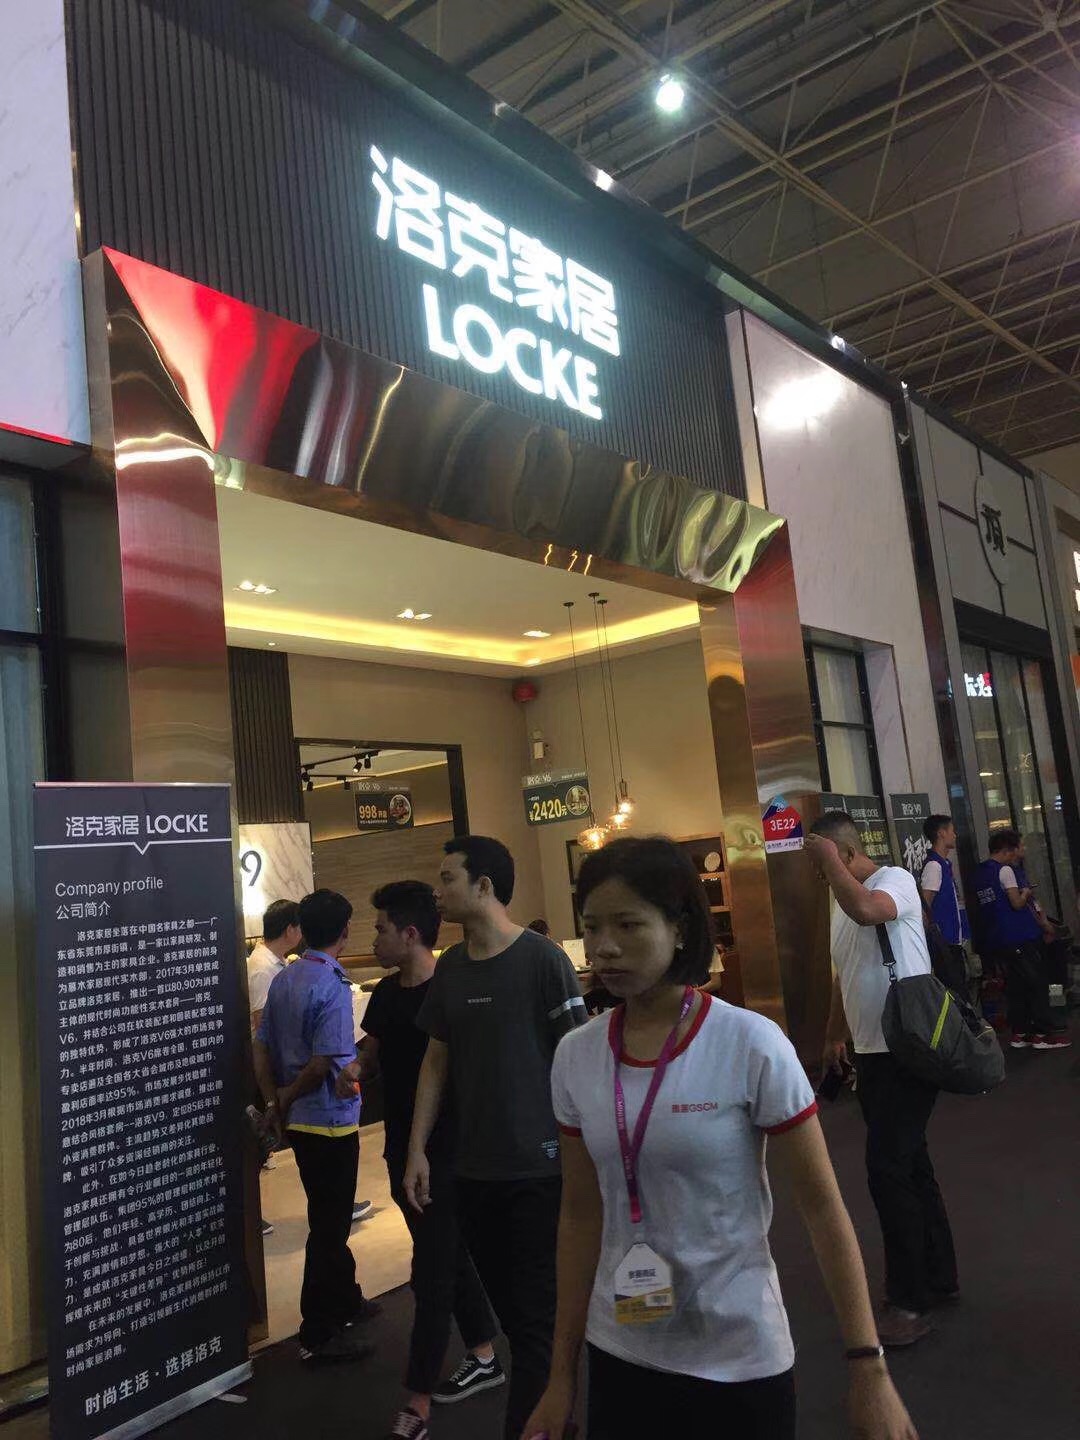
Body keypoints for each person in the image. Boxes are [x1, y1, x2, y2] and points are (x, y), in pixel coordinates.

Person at [523, 837, 918, 1440]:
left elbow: (821, 1207)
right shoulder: (576, 1055)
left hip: (740, 1354)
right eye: (592, 926)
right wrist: (560, 1379)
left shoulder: (749, 1042)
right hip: (622, 1350)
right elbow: (579, 1216)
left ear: (680, 929)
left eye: (628, 924)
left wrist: (870, 1368)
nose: (604, 947)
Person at [404, 836, 588, 1440]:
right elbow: (436, 1062)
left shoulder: (542, 960)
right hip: (473, 1172)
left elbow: (577, 1058)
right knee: (517, 1319)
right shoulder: (451, 967)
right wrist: (416, 1148)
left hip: (540, 1170)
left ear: (483, 886)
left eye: (448, 878)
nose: (438, 890)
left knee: (535, 1324)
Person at [338, 881, 502, 1440]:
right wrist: (355, 1070)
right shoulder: (386, 994)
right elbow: (373, 1053)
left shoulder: (453, 989)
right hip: (401, 1146)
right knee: (446, 1255)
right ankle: (484, 1353)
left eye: (381, 930)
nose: (374, 940)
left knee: (431, 1271)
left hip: (448, 1151)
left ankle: (419, 1399)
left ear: (409, 935)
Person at [806, 811, 957, 1349]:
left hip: (907, 1051)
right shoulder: (839, 899)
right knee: (910, 1163)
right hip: (873, 1054)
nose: (822, 878)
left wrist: (829, 861)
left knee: (887, 1169)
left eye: (827, 864)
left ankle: (909, 1300)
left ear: (846, 853)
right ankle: (939, 1275)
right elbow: (842, 971)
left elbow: (869, 911)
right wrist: (834, 1033)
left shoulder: (893, 881)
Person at [253, 888, 379, 1362]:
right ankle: (317, 1331)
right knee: (329, 1226)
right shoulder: (331, 984)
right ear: (345, 932)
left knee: (328, 1214)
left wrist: (274, 1099)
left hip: (301, 1124)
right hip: (330, 1119)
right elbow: (325, 1059)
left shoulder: (284, 979)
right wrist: (285, 1096)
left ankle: (347, 1299)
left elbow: (261, 1046)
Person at [974, 828, 1071, 1051]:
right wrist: (1043, 920)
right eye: (1020, 846)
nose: (1024, 849)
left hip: (999, 940)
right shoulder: (1008, 871)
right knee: (1042, 983)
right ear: (1009, 850)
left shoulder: (981, 873)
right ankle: (1046, 1030)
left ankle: (1021, 1030)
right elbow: (1020, 904)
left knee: (1018, 986)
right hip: (1022, 937)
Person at [918, 815, 970, 995]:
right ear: (941, 833)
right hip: (943, 946)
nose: (955, 835)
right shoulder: (934, 866)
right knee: (955, 995)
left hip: (953, 942)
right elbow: (925, 907)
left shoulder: (945, 864)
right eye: (952, 831)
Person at [247, 899, 301, 1037]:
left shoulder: (276, 958)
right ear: (290, 930)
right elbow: (263, 1026)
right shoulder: (262, 969)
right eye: (301, 927)